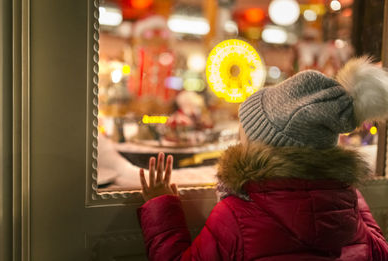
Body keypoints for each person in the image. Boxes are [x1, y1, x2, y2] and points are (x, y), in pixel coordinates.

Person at [137, 57, 388, 260]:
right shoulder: (347, 214)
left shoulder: (237, 215)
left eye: (245, 129)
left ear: (262, 146)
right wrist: (345, 187)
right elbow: (378, 249)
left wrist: (162, 206)